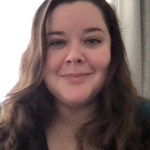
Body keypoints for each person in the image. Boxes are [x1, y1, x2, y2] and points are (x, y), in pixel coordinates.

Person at [0, 0, 150, 150]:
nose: (74, 56)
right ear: (37, 56)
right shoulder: (5, 127)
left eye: (92, 40)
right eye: (57, 43)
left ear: (113, 51)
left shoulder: (145, 121)